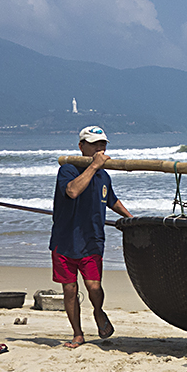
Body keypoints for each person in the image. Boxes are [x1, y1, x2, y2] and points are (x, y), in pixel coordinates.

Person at [52, 125, 131, 348]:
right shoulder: (68, 169)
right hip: (64, 240)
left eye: (103, 144)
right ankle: (77, 333)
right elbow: (73, 191)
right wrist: (93, 166)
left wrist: (130, 218)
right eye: (95, 144)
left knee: (94, 287)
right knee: (70, 289)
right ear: (81, 146)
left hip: (92, 239)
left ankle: (98, 311)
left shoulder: (104, 175)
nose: (100, 148)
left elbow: (112, 200)